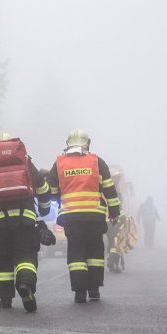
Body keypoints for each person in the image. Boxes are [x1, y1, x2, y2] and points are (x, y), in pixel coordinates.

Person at [0, 133, 51, 312]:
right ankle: (25, 284)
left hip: (0, 223)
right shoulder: (26, 163)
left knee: (4, 260)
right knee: (26, 255)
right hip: (25, 219)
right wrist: (44, 209)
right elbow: (42, 188)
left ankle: (5, 300)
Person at [46, 129, 120, 304]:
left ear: (68, 144)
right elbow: (109, 189)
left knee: (76, 252)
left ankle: (80, 293)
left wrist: (61, 196)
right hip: (94, 217)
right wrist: (114, 212)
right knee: (95, 251)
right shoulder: (97, 162)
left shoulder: (59, 164)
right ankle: (94, 290)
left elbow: (51, 190)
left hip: (72, 218)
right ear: (87, 143)